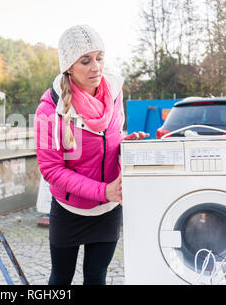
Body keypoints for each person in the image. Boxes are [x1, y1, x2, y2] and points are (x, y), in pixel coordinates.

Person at [34, 24, 148, 285]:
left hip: (108, 209)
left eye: (99, 58)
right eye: (85, 61)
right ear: (69, 67)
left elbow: (109, 138)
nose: (96, 67)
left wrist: (124, 143)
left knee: (96, 278)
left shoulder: (114, 92)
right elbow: (51, 171)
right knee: (60, 278)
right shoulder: (48, 110)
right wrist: (103, 190)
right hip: (69, 209)